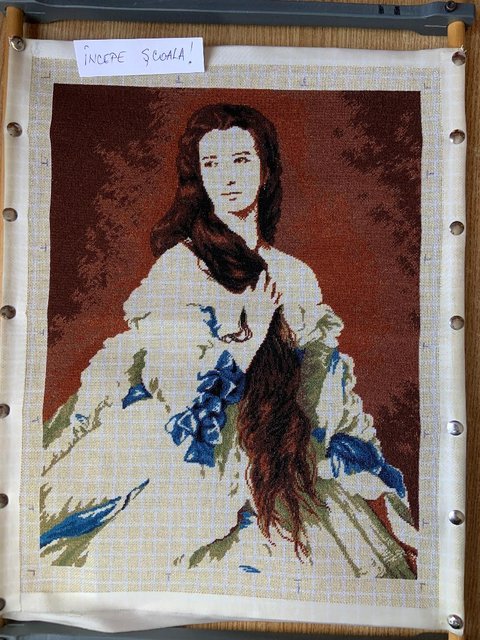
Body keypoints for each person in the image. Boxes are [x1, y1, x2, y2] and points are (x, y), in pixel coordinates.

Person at [40, 104, 417, 580]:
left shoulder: (296, 276)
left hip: (281, 459)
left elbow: (326, 398)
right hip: (197, 461)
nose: (228, 177)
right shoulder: (181, 267)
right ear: (198, 176)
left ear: (266, 169)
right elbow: (177, 392)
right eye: (212, 163)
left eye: (241, 159)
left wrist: (377, 485)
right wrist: (248, 336)